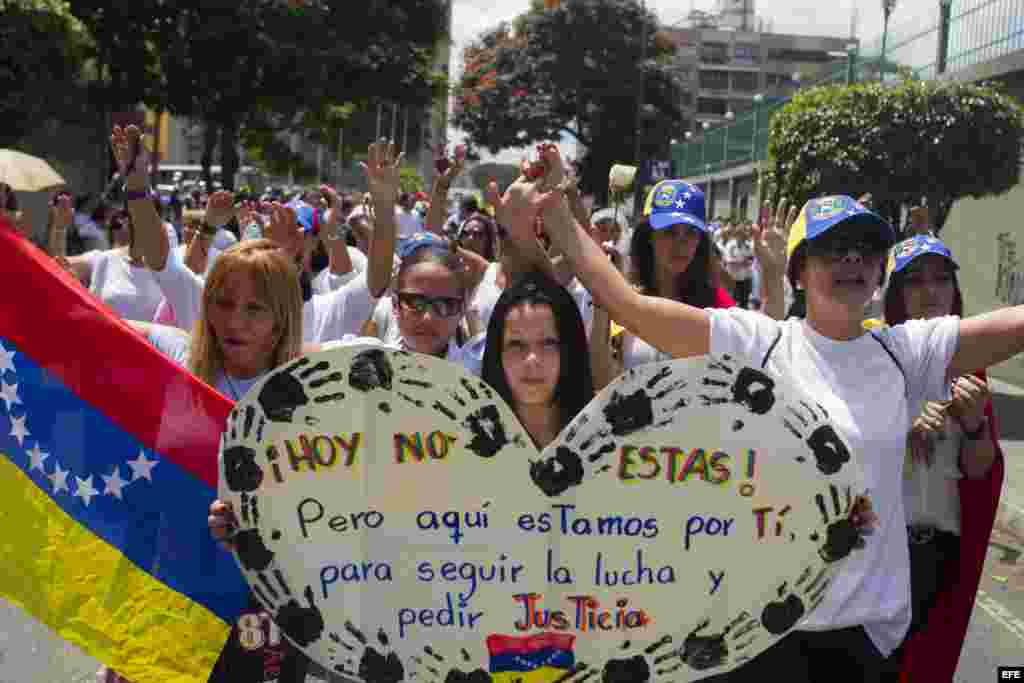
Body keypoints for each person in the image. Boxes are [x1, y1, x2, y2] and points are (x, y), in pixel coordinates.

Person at [528, 143, 1024, 682]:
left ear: (881, 269)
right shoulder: (754, 342)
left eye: (865, 248)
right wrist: (556, 209)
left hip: (867, 642)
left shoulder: (905, 352)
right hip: (760, 635)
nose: (852, 259)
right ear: (798, 271)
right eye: (833, 248)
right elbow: (629, 305)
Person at [876, 236, 1004, 682]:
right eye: (915, 281)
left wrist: (974, 425)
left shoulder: (974, 362)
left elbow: (980, 470)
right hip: (877, 550)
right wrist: (899, 431)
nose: (931, 291)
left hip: (935, 556)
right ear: (895, 294)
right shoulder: (870, 352)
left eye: (941, 279)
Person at [480, 270, 595, 449]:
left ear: (569, 350)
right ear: (497, 353)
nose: (531, 359)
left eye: (548, 343)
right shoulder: (466, 443)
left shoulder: (606, 435)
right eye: (516, 344)